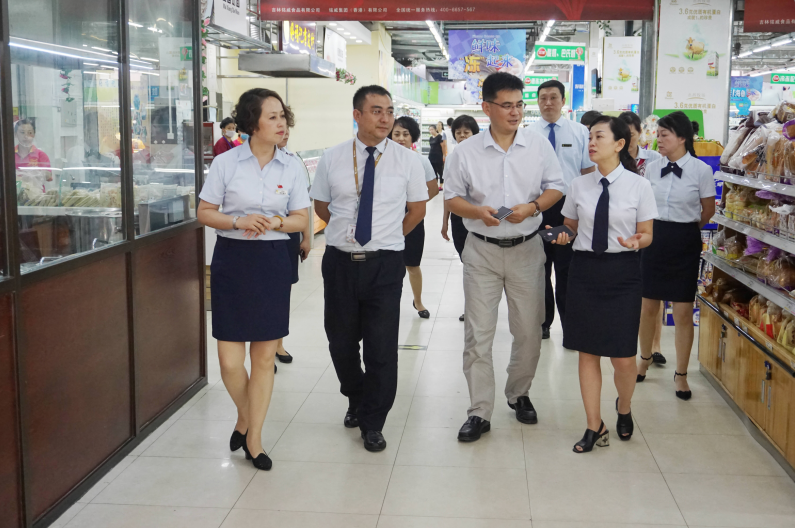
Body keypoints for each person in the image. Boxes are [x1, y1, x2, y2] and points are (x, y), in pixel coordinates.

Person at [445, 72, 565, 442]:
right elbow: (452, 197)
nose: (515, 112)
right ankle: (479, 411)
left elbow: (556, 186)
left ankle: (519, 393)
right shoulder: (466, 152)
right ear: (486, 108)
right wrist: (476, 212)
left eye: (519, 105)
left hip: (527, 248)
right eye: (507, 105)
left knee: (529, 330)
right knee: (478, 334)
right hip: (481, 249)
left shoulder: (537, 145)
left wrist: (533, 207)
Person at [197, 88, 310, 471]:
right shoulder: (226, 162)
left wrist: (276, 221)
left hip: (273, 262)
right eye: (273, 117)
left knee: (263, 358)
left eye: (283, 116)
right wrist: (237, 220)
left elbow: (301, 218)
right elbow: (204, 212)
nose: (282, 124)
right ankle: (244, 419)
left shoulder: (291, 166)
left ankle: (255, 439)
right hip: (232, 260)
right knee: (230, 361)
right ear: (252, 122)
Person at [310, 85, 428, 452]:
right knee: (341, 342)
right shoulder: (333, 157)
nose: (386, 118)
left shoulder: (408, 160)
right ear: (357, 115)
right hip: (340, 263)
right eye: (377, 110)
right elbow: (322, 206)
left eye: (389, 111)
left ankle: (373, 421)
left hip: (385, 265)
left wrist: (388, 236)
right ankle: (356, 395)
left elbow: (417, 210)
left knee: (381, 347)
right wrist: (349, 233)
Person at [550, 115, 657, 453]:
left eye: (599, 137)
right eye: (590, 137)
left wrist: (638, 241)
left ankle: (624, 406)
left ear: (620, 144)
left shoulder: (639, 186)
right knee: (587, 352)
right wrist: (559, 235)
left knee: (623, 358)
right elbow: (570, 226)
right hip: (584, 272)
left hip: (623, 273)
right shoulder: (578, 185)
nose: (591, 143)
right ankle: (594, 425)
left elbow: (647, 233)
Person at [637, 111, 715, 399]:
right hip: (654, 238)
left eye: (664, 135)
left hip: (684, 241)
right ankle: (644, 358)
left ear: (682, 138)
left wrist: (686, 228)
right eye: (658, 134)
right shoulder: (652, 168)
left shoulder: (701, 170)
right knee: (648, 306)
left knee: (682, 311)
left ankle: (681, 374)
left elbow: (708, 210)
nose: (659, 139)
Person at [528, 80, 596, 341]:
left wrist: (584, 209)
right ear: (537, 102)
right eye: (543, 98)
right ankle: (543, 322)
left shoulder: (579, 132)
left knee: (567, 268)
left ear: (563, 101)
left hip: (569, 209)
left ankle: (571, 326)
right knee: (540, 267)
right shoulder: (527, 134)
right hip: (539, 208)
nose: (548, 103)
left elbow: (587, 172)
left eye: (553, 97)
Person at [390, 116, 440, 318]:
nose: (401, 138)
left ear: (413, 137)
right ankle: (388, 302)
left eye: (405, 134)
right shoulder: (381, 159)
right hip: (386, 220)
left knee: (412, 264)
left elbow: (433, 189)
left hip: (413, 218)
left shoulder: (420, 160)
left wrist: (415, 204)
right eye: (396, 134)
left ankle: (418, 301)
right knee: (388, 264)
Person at [274, 126, 313, 364]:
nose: (284, 132)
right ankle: (262, 348)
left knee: (283, 290)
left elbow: (302, 205)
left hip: (288, 232)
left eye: (287, 128)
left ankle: (278, 343)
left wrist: (306, 237)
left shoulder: (293, 161)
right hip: (255, 233)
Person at [441, 114, 479, 322]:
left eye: (467, 132)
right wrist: (444, 221)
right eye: (458, 133)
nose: (462, 136)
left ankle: (477, 306)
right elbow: (448, 193)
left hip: (480, 217)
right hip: (458, 217)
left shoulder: (483, 156)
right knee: (467, 262)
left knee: (478, 264)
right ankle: (471, 306)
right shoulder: (452, 158)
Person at [619, 111, 662, 178]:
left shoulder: (654, 158)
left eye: (631, 135)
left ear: (640, 132)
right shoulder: (612, 160)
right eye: (623, 135)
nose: (626, 140)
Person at [14, 118, 52, 192]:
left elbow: (49, 176)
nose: (26, 136)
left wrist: (36, 174)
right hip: (14, 194)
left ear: (34, 135)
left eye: (30, 132)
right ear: (15, 134)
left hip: (36, 196)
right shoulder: (9, 155)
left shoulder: (41, 155)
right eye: (22, 132)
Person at [428, 124, 446, 190]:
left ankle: (441, 185)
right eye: (430, 130)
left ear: (435, 129)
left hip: (438, 156)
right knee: (433, 171)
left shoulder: (439, 137)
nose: (431, 131)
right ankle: (435, 185)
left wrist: (444, 155)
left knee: (440, 171)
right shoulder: (430, 138)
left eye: (432, 129)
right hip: (431, 156)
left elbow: (443, 146)